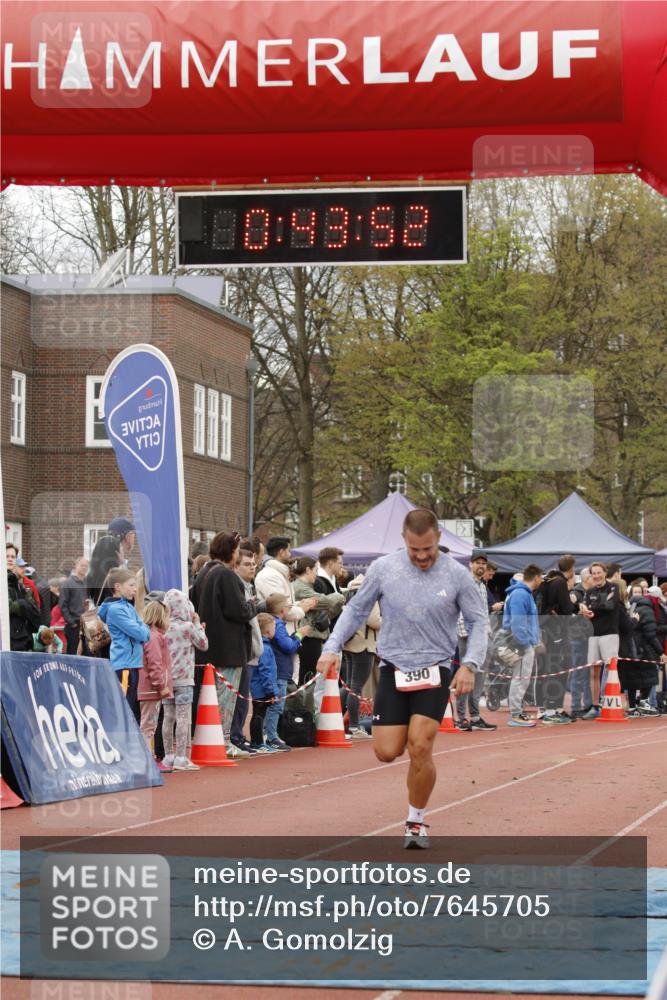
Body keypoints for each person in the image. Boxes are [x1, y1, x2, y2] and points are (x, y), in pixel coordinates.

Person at [317, 508, 487, 850]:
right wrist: (332, 645)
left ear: (438, 538)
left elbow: (479, 621)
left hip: (435, 668)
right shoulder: (384, 568)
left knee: (420, 746)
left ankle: (416, 820)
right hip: (394, 667)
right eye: (414, 550)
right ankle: (414, 785)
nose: (422, 557)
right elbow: (355, 610)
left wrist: (470, 664)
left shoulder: (457, 575)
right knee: (386, 751)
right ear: (404, 542)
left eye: (427, 549)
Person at [196, 531, 263, 760]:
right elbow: (239, 610)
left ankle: (210, 738)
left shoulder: (203, 572)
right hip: (229, 648)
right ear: (231, 551)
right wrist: (254, 606)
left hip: (207, 646)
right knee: (226, 698)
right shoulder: (226, 575)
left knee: (209, 697)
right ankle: (223, 741)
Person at [162, 589, 208, 770]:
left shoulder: (164, 627)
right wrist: (198, 625)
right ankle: (181, 757)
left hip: (167, 680)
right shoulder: (188, 627)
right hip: (184, 680)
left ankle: (168, 756)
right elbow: (203, 644)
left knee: (168, 718)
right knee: (182, 718)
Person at [98, 568, 150, 718]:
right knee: (124, 708)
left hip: (132, 663)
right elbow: (142, 632)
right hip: (124, 664)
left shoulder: (128, 607)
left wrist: (142, 629)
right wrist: (142, 629)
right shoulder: (115, 610)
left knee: (130, 707)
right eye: (131, 585)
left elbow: (144, 631)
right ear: (118, 587)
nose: (135, 589)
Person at [454, 550, 496, 732]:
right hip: (468, 636)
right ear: (470, 564)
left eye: (483, 563)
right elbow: (461, 610)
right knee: (466, 675)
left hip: (482, 636)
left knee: (479, 678)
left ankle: (475, 716)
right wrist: (465, 633)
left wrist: (488, 633)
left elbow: (482, 613)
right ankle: (461, 717)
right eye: (477, 562)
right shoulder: (465, 582)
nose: (481, 565)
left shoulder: (482, 585)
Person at [537, 554, 580, 725]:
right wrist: (574, 604)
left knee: (551, 669)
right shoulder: (560, 582)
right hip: (557, 632)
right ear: (570, 569)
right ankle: (550, 710)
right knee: (558, 669)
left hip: (547, 630)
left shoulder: (548, 580)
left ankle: (553, 709)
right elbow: (567, 609)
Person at [265, 592, 310, 751]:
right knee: (276, 705)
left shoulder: (274, 624)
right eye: (289, 607)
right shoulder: (278, 625)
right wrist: (299, 635)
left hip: (277, 669)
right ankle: (270, 737)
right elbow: (288, 647)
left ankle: (269, 735)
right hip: (279, 670)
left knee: (272, 705)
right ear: (283, 610)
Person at [293, 556, 346, 689]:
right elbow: (325, 601)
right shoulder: (299, 587)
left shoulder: (308, 586)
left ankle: (306, 707)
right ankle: (303, 708)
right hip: (308, 637)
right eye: (316, 570)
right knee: (308, 676)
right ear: (308, 570)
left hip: (315, 636)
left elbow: (327, 610)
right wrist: (340, 596)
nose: (317, 574)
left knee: (311, 677)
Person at [231, 549, 264, 752]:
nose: (252, 567)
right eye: (246, 564)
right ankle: (235, 737)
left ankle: (238, 735)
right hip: (243, 651)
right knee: (239, 698)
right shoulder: (237, 588)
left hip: (252, 650)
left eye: (253, 564)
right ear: (235, 566)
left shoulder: (250, 587)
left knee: (244, 698)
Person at [502, 564, 543, 728]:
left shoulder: (523, 593)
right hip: (521, 644)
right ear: (537, 577)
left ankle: (517, 711)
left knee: (521, 678)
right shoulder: (520, 594)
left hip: (524, 642)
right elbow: (517, 622)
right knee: (520, 678)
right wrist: (525, 644)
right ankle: (515, 713)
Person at [341, 579, 381, 739]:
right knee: (356, 687)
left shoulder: (349, 596)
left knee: (350, 686)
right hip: (364, 644)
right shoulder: (369, 599)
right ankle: (354, 726)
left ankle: (345, 722)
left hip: (350, 643)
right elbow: (375, 622)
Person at [580, 562, 621, 718]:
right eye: (593, 573)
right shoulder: (589, 591)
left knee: (612, 670)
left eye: (599, 572)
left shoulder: (613, 587)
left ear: (604, 572)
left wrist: (593, 606)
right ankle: (595, 706)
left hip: (610, 634)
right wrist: (585, 610)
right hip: (593, 634)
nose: (596, 576)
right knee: (594, 672)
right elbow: (586, 607)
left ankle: (613, 702)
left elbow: (610, 606)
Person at [138, 600, 174, 771]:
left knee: (148, 725)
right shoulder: (154, 637)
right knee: (148, 726)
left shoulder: (150, 635)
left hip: (149, 688)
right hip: (151, 689)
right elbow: (155, 664)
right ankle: (146, 761)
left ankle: (147, 758)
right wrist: (161, 686)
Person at [255, 536, 313, 635]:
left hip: (286, 635)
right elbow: (280, 609)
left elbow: (286, 603)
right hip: (278, 636)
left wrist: (298, 604)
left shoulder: (279, 573)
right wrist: (303, 608)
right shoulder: (270, 576)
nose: (290, 554)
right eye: (289, 551)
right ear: (281, 552)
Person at [249, 613, 281, 753]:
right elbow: (265, 671)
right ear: (268, 631)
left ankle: (257, 742)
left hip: (259, 687)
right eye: (274, 627)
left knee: (258, 714)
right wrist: (270, 690)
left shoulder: (265, 646)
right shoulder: (265, 648)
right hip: (261, 688)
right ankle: (258, 742)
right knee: (259, 715)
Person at [6, 543, 40, 651]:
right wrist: (23, 604)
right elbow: (7, 607)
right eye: (7, 556)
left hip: (21, 639)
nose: (10, 559)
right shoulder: (5, 582)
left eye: (13, 557)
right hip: (6, 639)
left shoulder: (18, 584)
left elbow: (35, 609)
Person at [59, 556, 89, 654]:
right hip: (74, 627)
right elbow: (62, 605)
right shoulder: (67, 584)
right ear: (76, 566)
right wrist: (72, 623)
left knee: (87, 655)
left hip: (87, 626)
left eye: (86, 566)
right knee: (73, 655)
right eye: (82, 565)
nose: (84, 568)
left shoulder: (88, 583)